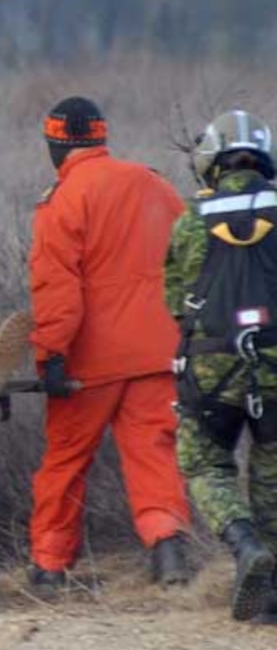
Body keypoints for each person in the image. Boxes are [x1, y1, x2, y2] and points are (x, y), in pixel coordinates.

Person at [27, 97, 193, 593]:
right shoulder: (156, 185)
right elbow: (190, 265)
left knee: (65, 460)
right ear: (101, 137)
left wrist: (50, 355)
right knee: (154, 455)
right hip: (158, 352)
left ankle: (51, 567)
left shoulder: (63, 201)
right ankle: (168, 554)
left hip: (90, 363)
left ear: (55, 144)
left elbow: (56, 291)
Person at [167, 110, 277, 622]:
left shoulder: (191, 220)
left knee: (205, 463)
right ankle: (271, 595)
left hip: (213, 367)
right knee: (272, 473)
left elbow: (175, 301)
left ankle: (245, 544)